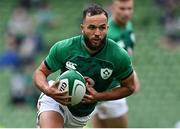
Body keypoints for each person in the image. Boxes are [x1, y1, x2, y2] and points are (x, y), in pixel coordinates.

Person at [33, 5, 138, 128]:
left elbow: (130, 87)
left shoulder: (118, 56)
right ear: (82, 28)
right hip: (56, 101)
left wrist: (99, 96)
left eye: (102, 28)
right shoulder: (64, 48)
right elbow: (40, 72)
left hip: (80, 117)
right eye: (92, 27)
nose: (97, 33)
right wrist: (47, 90)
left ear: (107, 28)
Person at [92, 0, 140, 128]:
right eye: (122, 8)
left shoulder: (128, 25)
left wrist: (132, 73)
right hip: (111, 91)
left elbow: (125, 56)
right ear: (113, 8)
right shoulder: (106, 34)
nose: (126, 13)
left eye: (129, 8)